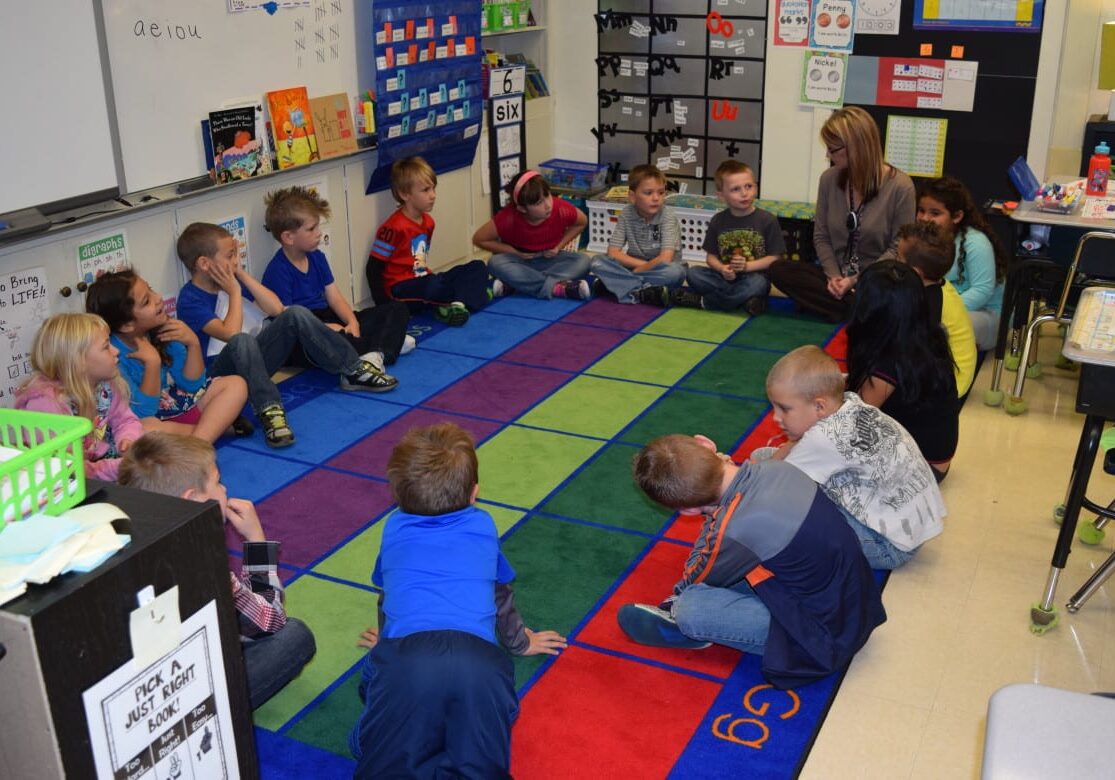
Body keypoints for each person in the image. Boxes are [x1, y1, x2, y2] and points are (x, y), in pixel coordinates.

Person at [349, 423, 567, 778]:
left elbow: (388, 591)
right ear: (474, 493)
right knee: (482, 746)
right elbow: (500, 594)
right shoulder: (483, 525)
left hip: (407, 663)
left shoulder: (393, 528)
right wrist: (521, 641)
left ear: (397, 496)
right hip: (481, 666)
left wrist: (389, 640)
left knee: (364, 745)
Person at [618, 434, 886, 689]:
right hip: (857, 600)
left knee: (692, 606)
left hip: (826, 636)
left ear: (687, 510)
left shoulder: (735, 528)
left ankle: (688, 628)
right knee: (743, 564)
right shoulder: (776, 467)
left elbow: (695, 576)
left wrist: (712, 517)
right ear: (707, 444)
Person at [118, 432, 316, 709]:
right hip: (187, 697)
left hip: (137, 696)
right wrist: (256, 541)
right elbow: (272, 622)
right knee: (295, 636)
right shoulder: (204, 562)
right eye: (217, 482)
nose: (224, 489)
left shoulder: (116, 543)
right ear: (193, 500)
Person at [175, 222, 397, 449]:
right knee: (242, 340)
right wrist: (234, 291)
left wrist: (240, 274)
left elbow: (276, 309)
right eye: (230, 255)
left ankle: (353, 369)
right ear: (204, 263)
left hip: (253, 363)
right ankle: (269, 408)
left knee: (295, 313)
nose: (235, 260)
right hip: (218, 378)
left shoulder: (235, 279)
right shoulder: (190, 298)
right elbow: (231, 333)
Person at [765, 346, 946, 569]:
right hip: (912, 532)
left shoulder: (823, 438)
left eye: (784, 409)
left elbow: (769, 484)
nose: (775, 418)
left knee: (789, 522)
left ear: (820, 406)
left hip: (888, 548)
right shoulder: (850, 402)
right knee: (770, 461)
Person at [769, 106, 916, 322]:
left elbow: (899, 248)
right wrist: (835, 277)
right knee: (779, 269)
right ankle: (851, 310)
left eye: (833, 149)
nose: (828, 154)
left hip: (876, 278)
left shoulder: (901, 187)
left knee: (887, 293)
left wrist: (855, 281)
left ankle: (842, 308)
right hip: (835, 276)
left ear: (856, 147)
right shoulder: (829, 179)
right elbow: (821, 235)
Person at [85, 269, 252, 444]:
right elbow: (144, 413)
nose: (157, 298)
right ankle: (211, 431)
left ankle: (199, 440)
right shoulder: (112, 355)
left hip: (177, 407)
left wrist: (193, 344)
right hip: (153, 421)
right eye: (146, 301)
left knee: (236, 384)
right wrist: (153, 364)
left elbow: (193, 384)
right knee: (145, 429)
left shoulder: (164, 330)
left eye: (150, 289)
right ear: (127, 324)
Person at [262, 185, 413, 366]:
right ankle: (385, 343)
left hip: (327, 317)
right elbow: (288, 321)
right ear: (288, 237)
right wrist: (325, 329)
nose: (319, 233)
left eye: (318, 226)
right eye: (311, 229)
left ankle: (378, 350)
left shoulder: (317, 257)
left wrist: (352, 322)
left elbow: (335, 298)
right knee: (337, 341)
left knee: (396, 308)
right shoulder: (278, 270)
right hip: (304, 332)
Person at [846, 260, 958, 482]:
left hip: (921, 470)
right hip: (933, 458)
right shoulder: (923, 336)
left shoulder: (885, 365)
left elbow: (851, 427)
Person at [16, 312, 145, 481]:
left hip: (98, 464)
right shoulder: (46, 404)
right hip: (63, 480)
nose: (116, 351)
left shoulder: (105, 385)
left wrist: (128, 440)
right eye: (106, 346)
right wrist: (120, 467)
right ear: (78, 361)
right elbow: (67, 469)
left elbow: (125, 420)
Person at [366, 157, 491, 326]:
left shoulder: (428, 222)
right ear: (405, 194)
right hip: (401, 288)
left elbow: (420, 261)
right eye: (425, 190)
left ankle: (459, 304)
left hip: (424, 278)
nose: (433, 195)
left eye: (433, 188)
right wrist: (385, 306)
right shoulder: (393, 227)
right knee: (435, 285)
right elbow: (373, 268)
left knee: (477, 267)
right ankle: (474, 296)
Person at [917, 176, 1007, 350]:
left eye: (935, 213)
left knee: (939, 329)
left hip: (985, 315)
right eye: (921, 210)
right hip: (945, 310)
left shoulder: (975, 242)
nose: (924, 218)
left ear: (957, 216)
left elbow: (982, 290)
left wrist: (941, 310)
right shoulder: (922, 240)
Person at [472, 170, 591, 300]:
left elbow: (582, 222)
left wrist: (558, 246)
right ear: (523, 208)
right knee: (495, 263)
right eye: (538, 203)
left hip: (550, 259)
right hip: (521, 261)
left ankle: (517, 284)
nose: (547, 205)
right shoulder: (509, 218)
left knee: (583, 261)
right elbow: (480, 239)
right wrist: (514, 252)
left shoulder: (561, 209)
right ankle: (558, 288)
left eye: (547, 196)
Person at [685, 160, 786, 314]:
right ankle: (746, 301)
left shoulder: (767, 219)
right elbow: (710, 257)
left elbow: (775, 258)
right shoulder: (718, 220)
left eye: (749, 186)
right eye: (735, 189)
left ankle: (707, 302)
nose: (744, 193)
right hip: (724, 277)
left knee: (758, 284)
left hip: (753, 276)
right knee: (693, 274)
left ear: (756, 187)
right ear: (721, 196)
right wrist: (721, 268)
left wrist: (747, 267)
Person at [896, 222, 978, 399]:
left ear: (916, 272)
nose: (895, 262)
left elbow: (915, 351)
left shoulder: (932, 303)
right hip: (944, 368)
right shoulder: (935, 284)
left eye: (899, 259)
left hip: (952, 383)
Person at [588, 164, 686, 306]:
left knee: (676, 272)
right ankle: (642, 293)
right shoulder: (627, 213)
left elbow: (666, 258)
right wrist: (641, 267)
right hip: (634, 266)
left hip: (661, 269)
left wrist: (639, 270)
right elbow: (613, 252)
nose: (656, 198)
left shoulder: (668, 216)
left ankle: (616, 284)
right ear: (633, 197)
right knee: (596, 261)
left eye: (661, 192)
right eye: (648, 193)